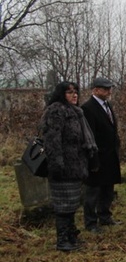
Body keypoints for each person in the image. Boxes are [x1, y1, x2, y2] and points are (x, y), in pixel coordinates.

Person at [41, 81, 98, 251]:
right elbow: (53, 141)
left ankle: (71, 236)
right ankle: (63, 240)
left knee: (72, 203)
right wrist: (57, 165)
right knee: (63, 205)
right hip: (63, 166)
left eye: (76, 92)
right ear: (61, 94)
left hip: (76, 165)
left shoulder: (76, 112)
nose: (74, 95)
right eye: (69, 92)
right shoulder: (56, 111)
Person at [81, 77, 122, 234]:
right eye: (105, 89)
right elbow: (88, 135)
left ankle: (105, 216)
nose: (109, 91)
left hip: (110, 155)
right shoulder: (88, 108)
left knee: (108, 188)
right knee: (93, 190)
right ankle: (91, 222)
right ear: (95, 90)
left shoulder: (108, 105)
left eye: (109, 88)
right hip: (97, 156)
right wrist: (93, 159)